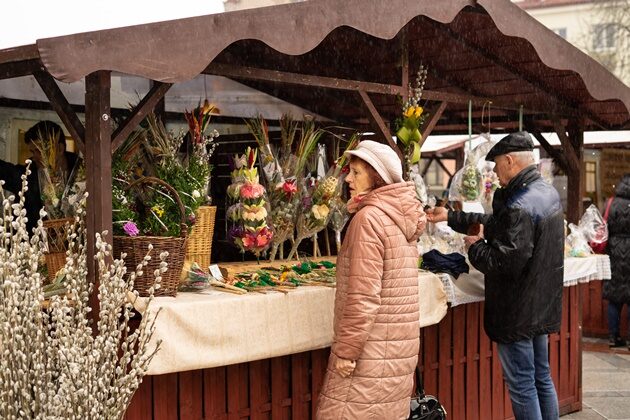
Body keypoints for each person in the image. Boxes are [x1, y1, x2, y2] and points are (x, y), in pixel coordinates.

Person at [427, 131, 564, 420]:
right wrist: (451, 217)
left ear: (510, 161)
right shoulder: (545, 193)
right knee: (541, 378)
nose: (495, 173)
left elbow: (503, 262)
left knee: (523, 385)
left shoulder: (519, 204)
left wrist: (475, 248)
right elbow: (498, 225)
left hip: (517, 311)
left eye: (497, 166)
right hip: (538, 307)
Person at [316, 140, 426, 419]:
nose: (348, 179)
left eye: (356, 172)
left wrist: (346, 351)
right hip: (395, 350)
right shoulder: (399, 217)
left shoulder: (370, 219)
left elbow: (362, 296)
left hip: (370, 352)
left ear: (377, 175)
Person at [0, 121, 77, 232]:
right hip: (33, 245)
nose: (35, 157)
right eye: (32, 151)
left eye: (39, 151)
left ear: (59, 149)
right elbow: (5, 171)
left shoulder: (83, 172)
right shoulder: (27, 176)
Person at [603, 174, 630, 348]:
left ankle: (614, 337)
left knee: (614, 298)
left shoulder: (611, 203)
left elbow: (603, 226)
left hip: (614, 251)